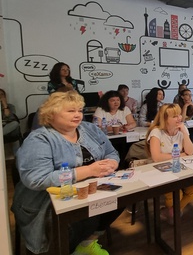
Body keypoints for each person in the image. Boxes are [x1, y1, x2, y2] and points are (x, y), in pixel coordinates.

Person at [11, 90, 120, 254]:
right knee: (81, 218)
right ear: (51, 114)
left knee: (120, 200)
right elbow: (36, 179)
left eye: (80, 111)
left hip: (91, 191)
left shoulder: (90, 128)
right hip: (46, 203)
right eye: (71, 111)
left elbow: (112, 153)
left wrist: (112, 163)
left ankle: (86, 243)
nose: (77, 115)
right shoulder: (40, 139)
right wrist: (88, 170)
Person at [145, 104, 193, 224]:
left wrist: (185, 134)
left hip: (180, 169)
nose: (179, 118)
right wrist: (180, 155)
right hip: (160, 171)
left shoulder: (182, 128)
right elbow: (156, 157)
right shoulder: (156, 132)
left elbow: (190, 151)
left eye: (179, 114)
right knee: (176, 195)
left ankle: (171, 211)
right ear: (165, 119)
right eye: (175, 116)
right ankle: (173, 210)